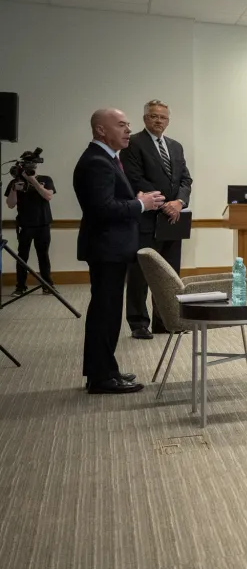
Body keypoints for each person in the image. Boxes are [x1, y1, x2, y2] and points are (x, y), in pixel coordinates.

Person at [73, 109, 166, 394]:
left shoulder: (107, 159)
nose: (128, 130)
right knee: (105, 312)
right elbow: (102, 209)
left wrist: (135, 199)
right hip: (106, 248)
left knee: (108, 311)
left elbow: (111, 201)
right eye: (121, 125)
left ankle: (104, 371)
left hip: (111, 248)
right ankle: (102, 378)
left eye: (128, 125)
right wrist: (141, 205)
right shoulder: (97, 162)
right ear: (101, 130)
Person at [121, 99, 193, 340]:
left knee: (169, 274)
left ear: (168, 120)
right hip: (146, 218)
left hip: (173, 220)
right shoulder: (133, 144)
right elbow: (135, 179)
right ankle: (139, 322)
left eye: (162, 117)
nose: (158, 120)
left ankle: (166, 321)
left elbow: (185, 180)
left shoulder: (176, 146)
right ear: (145, 119)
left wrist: (179, 203)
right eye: (153, 116)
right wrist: (164, 204)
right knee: (141, 273)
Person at [4, 156, 55, 296]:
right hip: (25, 225)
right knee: (22, 257)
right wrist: (15, 188)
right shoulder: (15, 181)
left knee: (43, 255)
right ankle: (20, 286)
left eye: (31, 165)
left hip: (43, 223)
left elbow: (48, 196)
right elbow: (10, 204)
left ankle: (47, 285)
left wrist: (33, 181)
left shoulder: (46, 179)